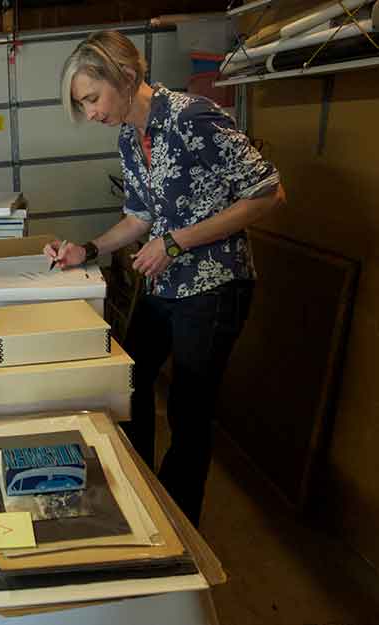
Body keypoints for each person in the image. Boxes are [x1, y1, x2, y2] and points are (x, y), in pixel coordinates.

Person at [45, 31, 285, 526]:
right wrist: (86, 249)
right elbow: (138, 218)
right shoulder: (130, 137)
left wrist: (177, 241)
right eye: (81, 103)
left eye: (92, 97)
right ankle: (138, 500)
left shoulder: (193, 117)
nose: (89, 112)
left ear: (127, 77)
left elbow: (269, 193)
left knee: (188, 412)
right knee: (128, 379)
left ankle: (178, 527)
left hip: (216, 287)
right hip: (167, 286)